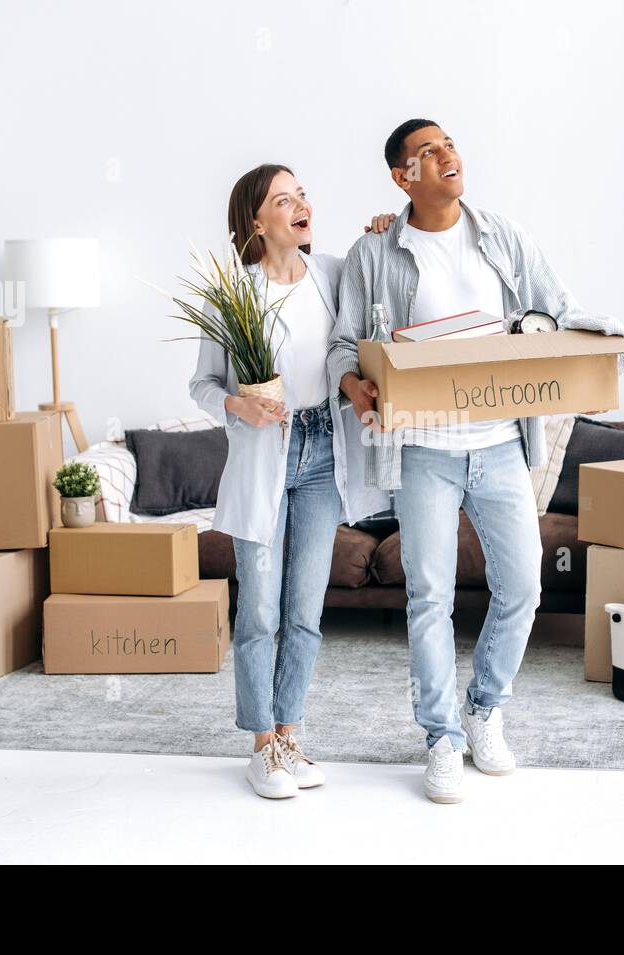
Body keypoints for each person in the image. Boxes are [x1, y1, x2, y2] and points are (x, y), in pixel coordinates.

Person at [328, 120, 624, 804]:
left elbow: (558, 309)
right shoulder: (374, 250)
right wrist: (354, 386)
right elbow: (344, 344)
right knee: (429, 597)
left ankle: (484, 708)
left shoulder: (502, 236)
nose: (447, 156)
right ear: (401, 177)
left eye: (450, 144)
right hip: (421, 449)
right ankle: (441, 736)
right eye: (427, 151)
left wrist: (611, 335)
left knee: (522, 585)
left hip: (500, 444)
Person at [190, 164, 392, 799]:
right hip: (264, 457)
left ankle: (290, 734)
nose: (302, 204)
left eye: (302, 193)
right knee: (258, 611)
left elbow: (381, 271)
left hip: (321, 453)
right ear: (258, 221)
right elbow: (202, 385)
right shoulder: (233, 294)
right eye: (285, 199)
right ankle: (259, 747)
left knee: (305, 611)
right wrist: (238, 406)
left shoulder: (333, 274)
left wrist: (387, 230)